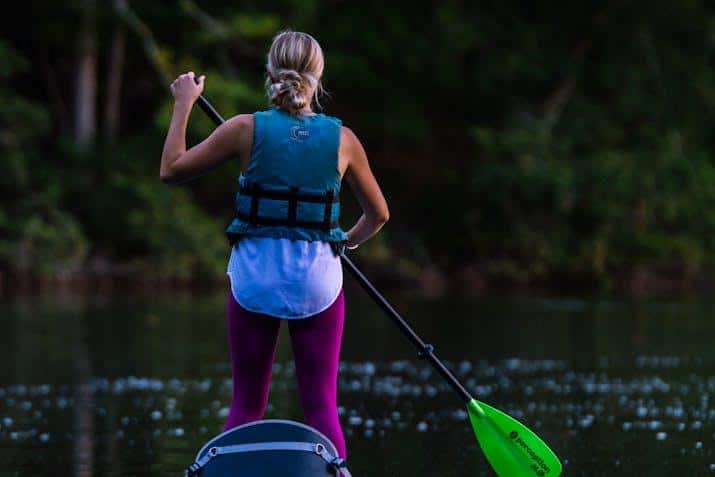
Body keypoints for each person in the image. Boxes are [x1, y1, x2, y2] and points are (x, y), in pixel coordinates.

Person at [159, 30, 389, 459]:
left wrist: (184, 104)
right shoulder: (344, 140)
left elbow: (171, 170)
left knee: (247, 404)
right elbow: (378, 215)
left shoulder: (243, 129)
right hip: (318, 284)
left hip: (255, 282)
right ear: (318, 77)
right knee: (320, 405)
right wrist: (344, 243)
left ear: (270, 71)